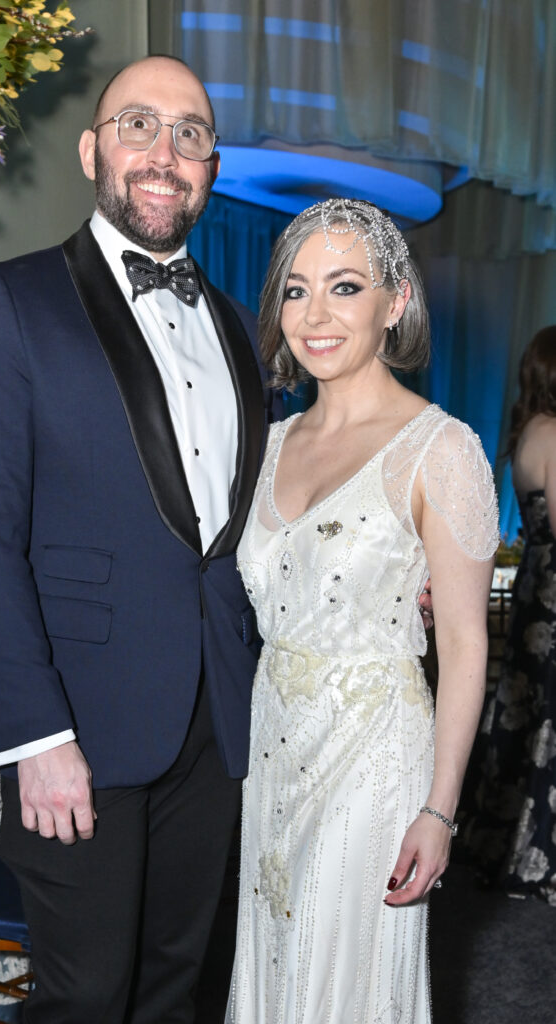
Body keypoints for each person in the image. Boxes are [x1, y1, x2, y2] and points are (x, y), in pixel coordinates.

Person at [0, 55, 269, 1024]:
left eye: (190, 133)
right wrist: (35, 735)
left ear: (211, 166)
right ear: (92, 150)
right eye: (138, 124)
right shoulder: (11, 302)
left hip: (215, 722)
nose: (164, 152)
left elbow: (246, 532)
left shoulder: (240, 329)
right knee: (85, 994)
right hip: (77, 725)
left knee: (176, 980)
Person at [226, 198, 500, 1024]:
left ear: (394, 304)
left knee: (341, 978)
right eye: (296, 290)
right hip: (271, 745)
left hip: (373, 758)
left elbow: (462, 643)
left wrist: (438, 807)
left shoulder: (441, 448)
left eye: (343, 287)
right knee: (277, 958)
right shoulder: (266, 443)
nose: (315, 316)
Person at [462, 325, 556, 904]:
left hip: (534, 593)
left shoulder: (528, 432)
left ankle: (506, 843)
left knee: (526, 714)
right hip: (552, 596)